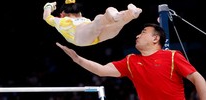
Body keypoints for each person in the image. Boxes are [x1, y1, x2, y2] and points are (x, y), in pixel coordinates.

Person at [56, 23, 206, 100]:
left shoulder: (172, 56)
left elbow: (197, 78)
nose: (137, 36)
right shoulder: (131, 61)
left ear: (155, 38)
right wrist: (77, 59)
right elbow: (101, 70)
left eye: (143, 32)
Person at [43, 0, 142, 46]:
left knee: (118, 23)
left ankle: (131, 14)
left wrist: (48, 6)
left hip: (95, 38)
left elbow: (46, 16)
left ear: (62, 14)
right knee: (102, 16)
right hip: (81, 36)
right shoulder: (63, 21)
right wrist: (48, 6)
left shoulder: (60, 20)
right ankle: (117, 14)